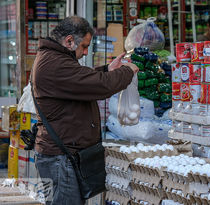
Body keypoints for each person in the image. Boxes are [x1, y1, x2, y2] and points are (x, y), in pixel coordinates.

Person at [31, 16, 138, 205]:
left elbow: (81, 80)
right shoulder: (54, 64)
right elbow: (100, 86)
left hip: (62, 156)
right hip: (60, 158)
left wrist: (107, 69)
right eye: (84, 46)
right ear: (69, 41)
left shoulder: (55, 59)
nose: (86, 52)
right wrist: (127, 71)